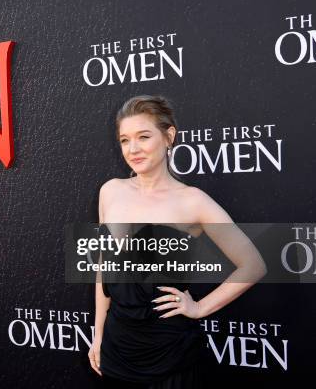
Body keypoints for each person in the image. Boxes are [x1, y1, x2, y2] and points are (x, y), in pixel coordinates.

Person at [88, 95, 267, 388]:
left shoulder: (192, 201)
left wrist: (199, 307)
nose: (133, 149)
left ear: (168, 136)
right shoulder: (110, 191)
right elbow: (104, 268)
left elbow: (253, 265)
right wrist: (98, 334)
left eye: (144, 137)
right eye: (124, 140)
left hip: (168, 350)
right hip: (118, 347)